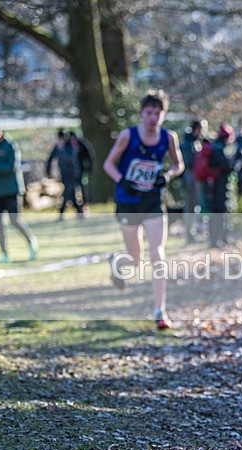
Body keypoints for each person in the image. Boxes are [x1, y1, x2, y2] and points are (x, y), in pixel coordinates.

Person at [102, 90, 184, 330]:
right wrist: (122, 180)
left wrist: (167, 176)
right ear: (141, 113)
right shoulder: (128, 136)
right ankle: (118, 263)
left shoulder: (169, 138)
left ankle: (160, 311)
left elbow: (179, 165)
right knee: (135, 260)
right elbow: (108, 164)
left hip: (152, 202)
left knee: (157, 254)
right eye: (149, 113)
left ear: (163, 115)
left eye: (157, 113)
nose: (153, 118)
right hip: (128, 201)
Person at [0, 122, 38, 263]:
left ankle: (31, 241)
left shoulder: (10, 146)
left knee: (15, 220)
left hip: (11, 190)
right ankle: (4, 254)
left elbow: (11, 166)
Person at [205, 123, 234, 247]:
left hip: (216, 186)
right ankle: (216, 240)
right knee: (219, 213)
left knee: (218, 213)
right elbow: (226, 167)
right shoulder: (218, 149)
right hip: (218, 187)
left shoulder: (215, 147)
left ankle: (219, 239)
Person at [46, 130, 84, 219]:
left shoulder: (70, 146)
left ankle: (62, 214)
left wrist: (62, 150)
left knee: (67, 193)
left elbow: (71, 159)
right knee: (70, 194)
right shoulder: (58, 147)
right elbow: (50, 159)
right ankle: (79, 211)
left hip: (72, 174)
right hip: (64, 174)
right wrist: (48, 171)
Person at [179, 120, 203, 244]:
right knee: (190, 207)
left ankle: (193, 233)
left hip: (191, 177)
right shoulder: (189, 144)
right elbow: (190, 162)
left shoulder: (192, 142)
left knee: (194, 207)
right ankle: (189, 235)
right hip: (190, 178)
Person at [69, 132, 94, 212]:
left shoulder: (82, 145)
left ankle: (85, 206)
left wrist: (89, 169)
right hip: (72, 173)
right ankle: (77, 207)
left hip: (82, 172)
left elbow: (89, 157)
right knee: (72, 190)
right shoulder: (68, 147)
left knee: (83, 188)